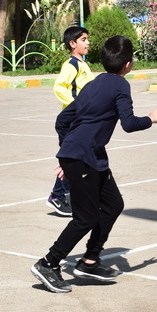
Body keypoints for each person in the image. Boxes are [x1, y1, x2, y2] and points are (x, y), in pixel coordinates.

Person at [30, 36, 157, 293]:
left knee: (114, 204)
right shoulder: (120, 86)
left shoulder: (92, 84)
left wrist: (67, 153)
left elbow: (62, 121)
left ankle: (90, 261)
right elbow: (128, 123)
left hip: (88, 157)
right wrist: (152, 118)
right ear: (128, 64)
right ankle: (48, 263)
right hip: (83, 157)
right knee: (85, 218)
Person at [48, 26, 95, 216]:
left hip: (80, 120)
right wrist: (76, 106)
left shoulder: (83, 64)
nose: (87, 42)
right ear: (72, 44)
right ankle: (57, 196)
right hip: (71, 120)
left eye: (87, 39)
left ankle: (73, 195)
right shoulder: (71, 65)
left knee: (79, 158)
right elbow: (59, 87)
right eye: (83, 39)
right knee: (72, 159)